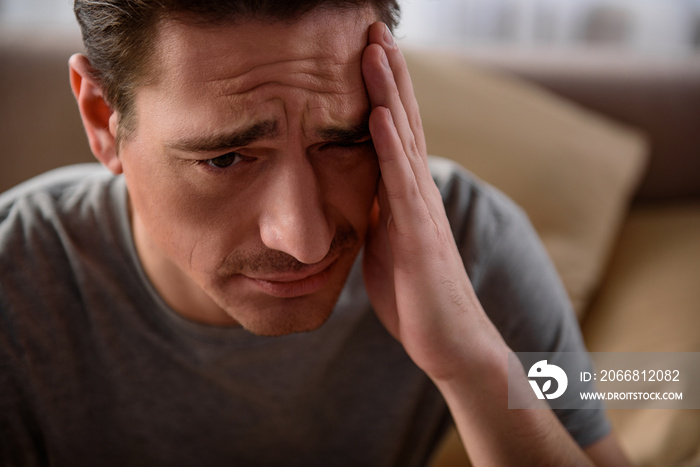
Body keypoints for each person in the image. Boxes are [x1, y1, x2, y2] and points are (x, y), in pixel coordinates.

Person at [0, 1, 630, 465]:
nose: (304, 240)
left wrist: (472, 362)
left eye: (345, 142)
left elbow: (657, 388)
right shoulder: (17, 280)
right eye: (226, 159)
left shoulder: (467, 243)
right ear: (103, 120)